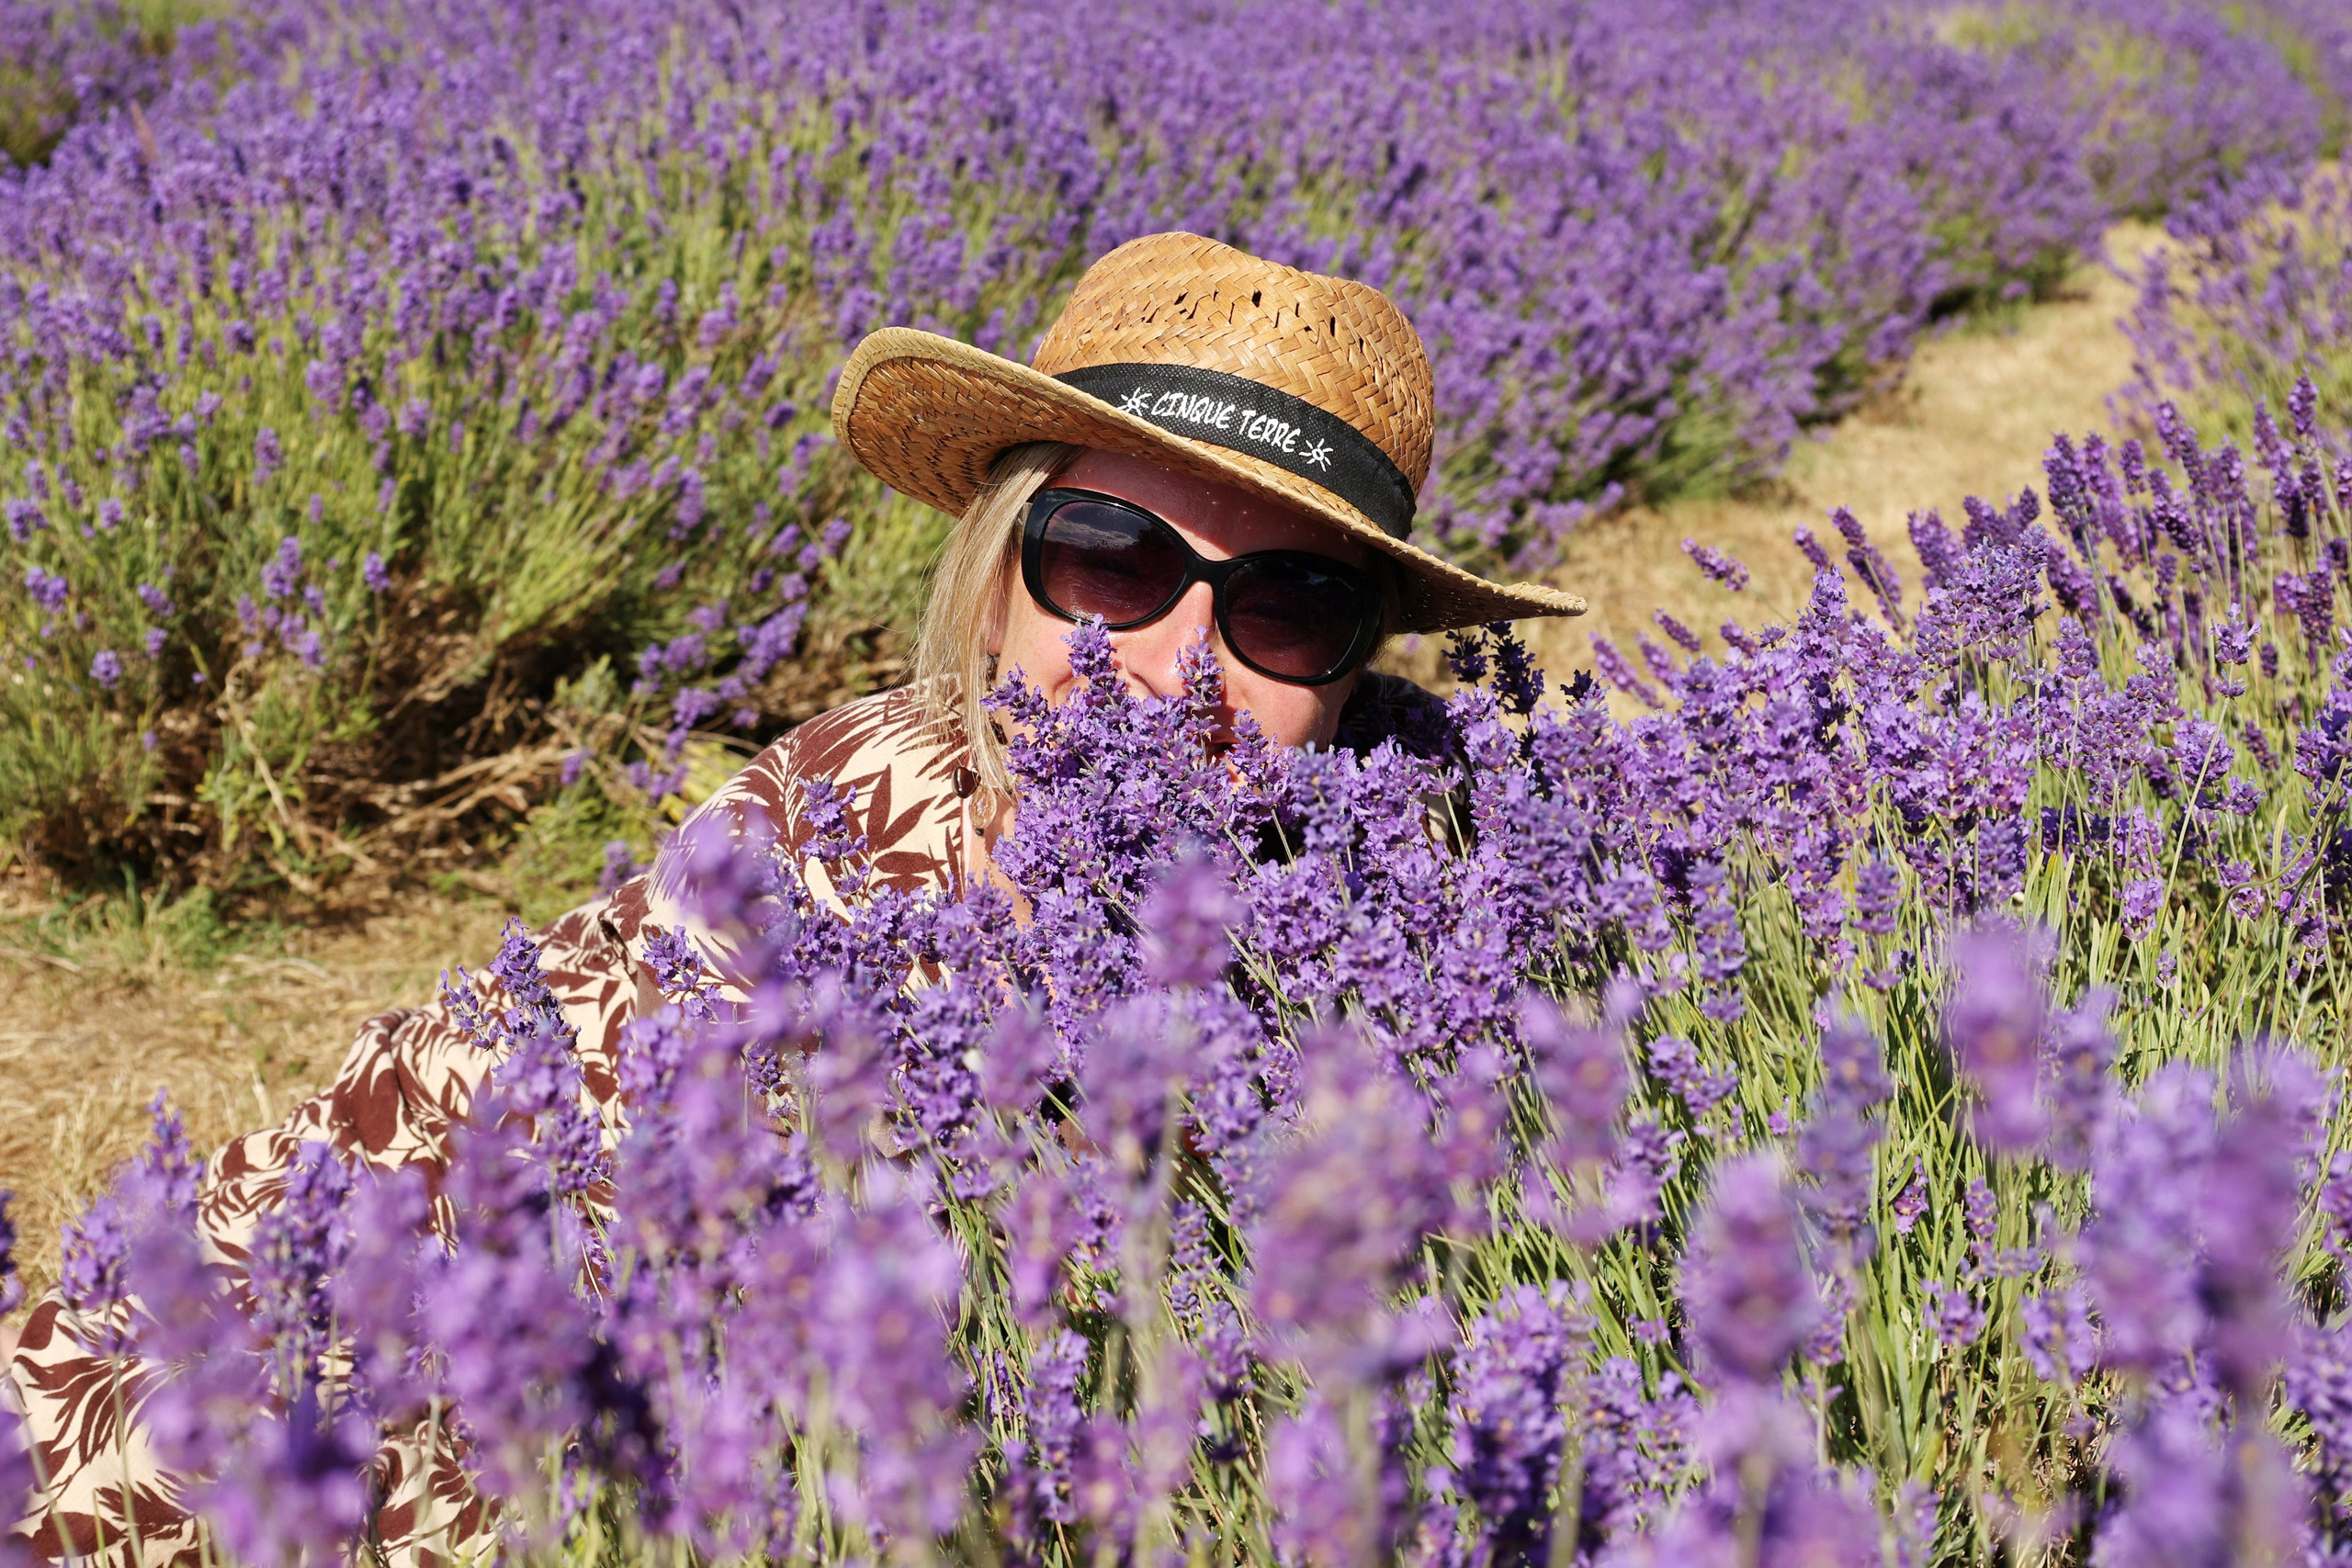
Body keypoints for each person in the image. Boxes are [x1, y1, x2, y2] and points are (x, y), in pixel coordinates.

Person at [2, 231, 1584, 1562]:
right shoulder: (823, 824)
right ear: (993, 565)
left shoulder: (1429, 890)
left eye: (1292, 602)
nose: (1174, 663)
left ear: (1363, 658)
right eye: (1108, 559)